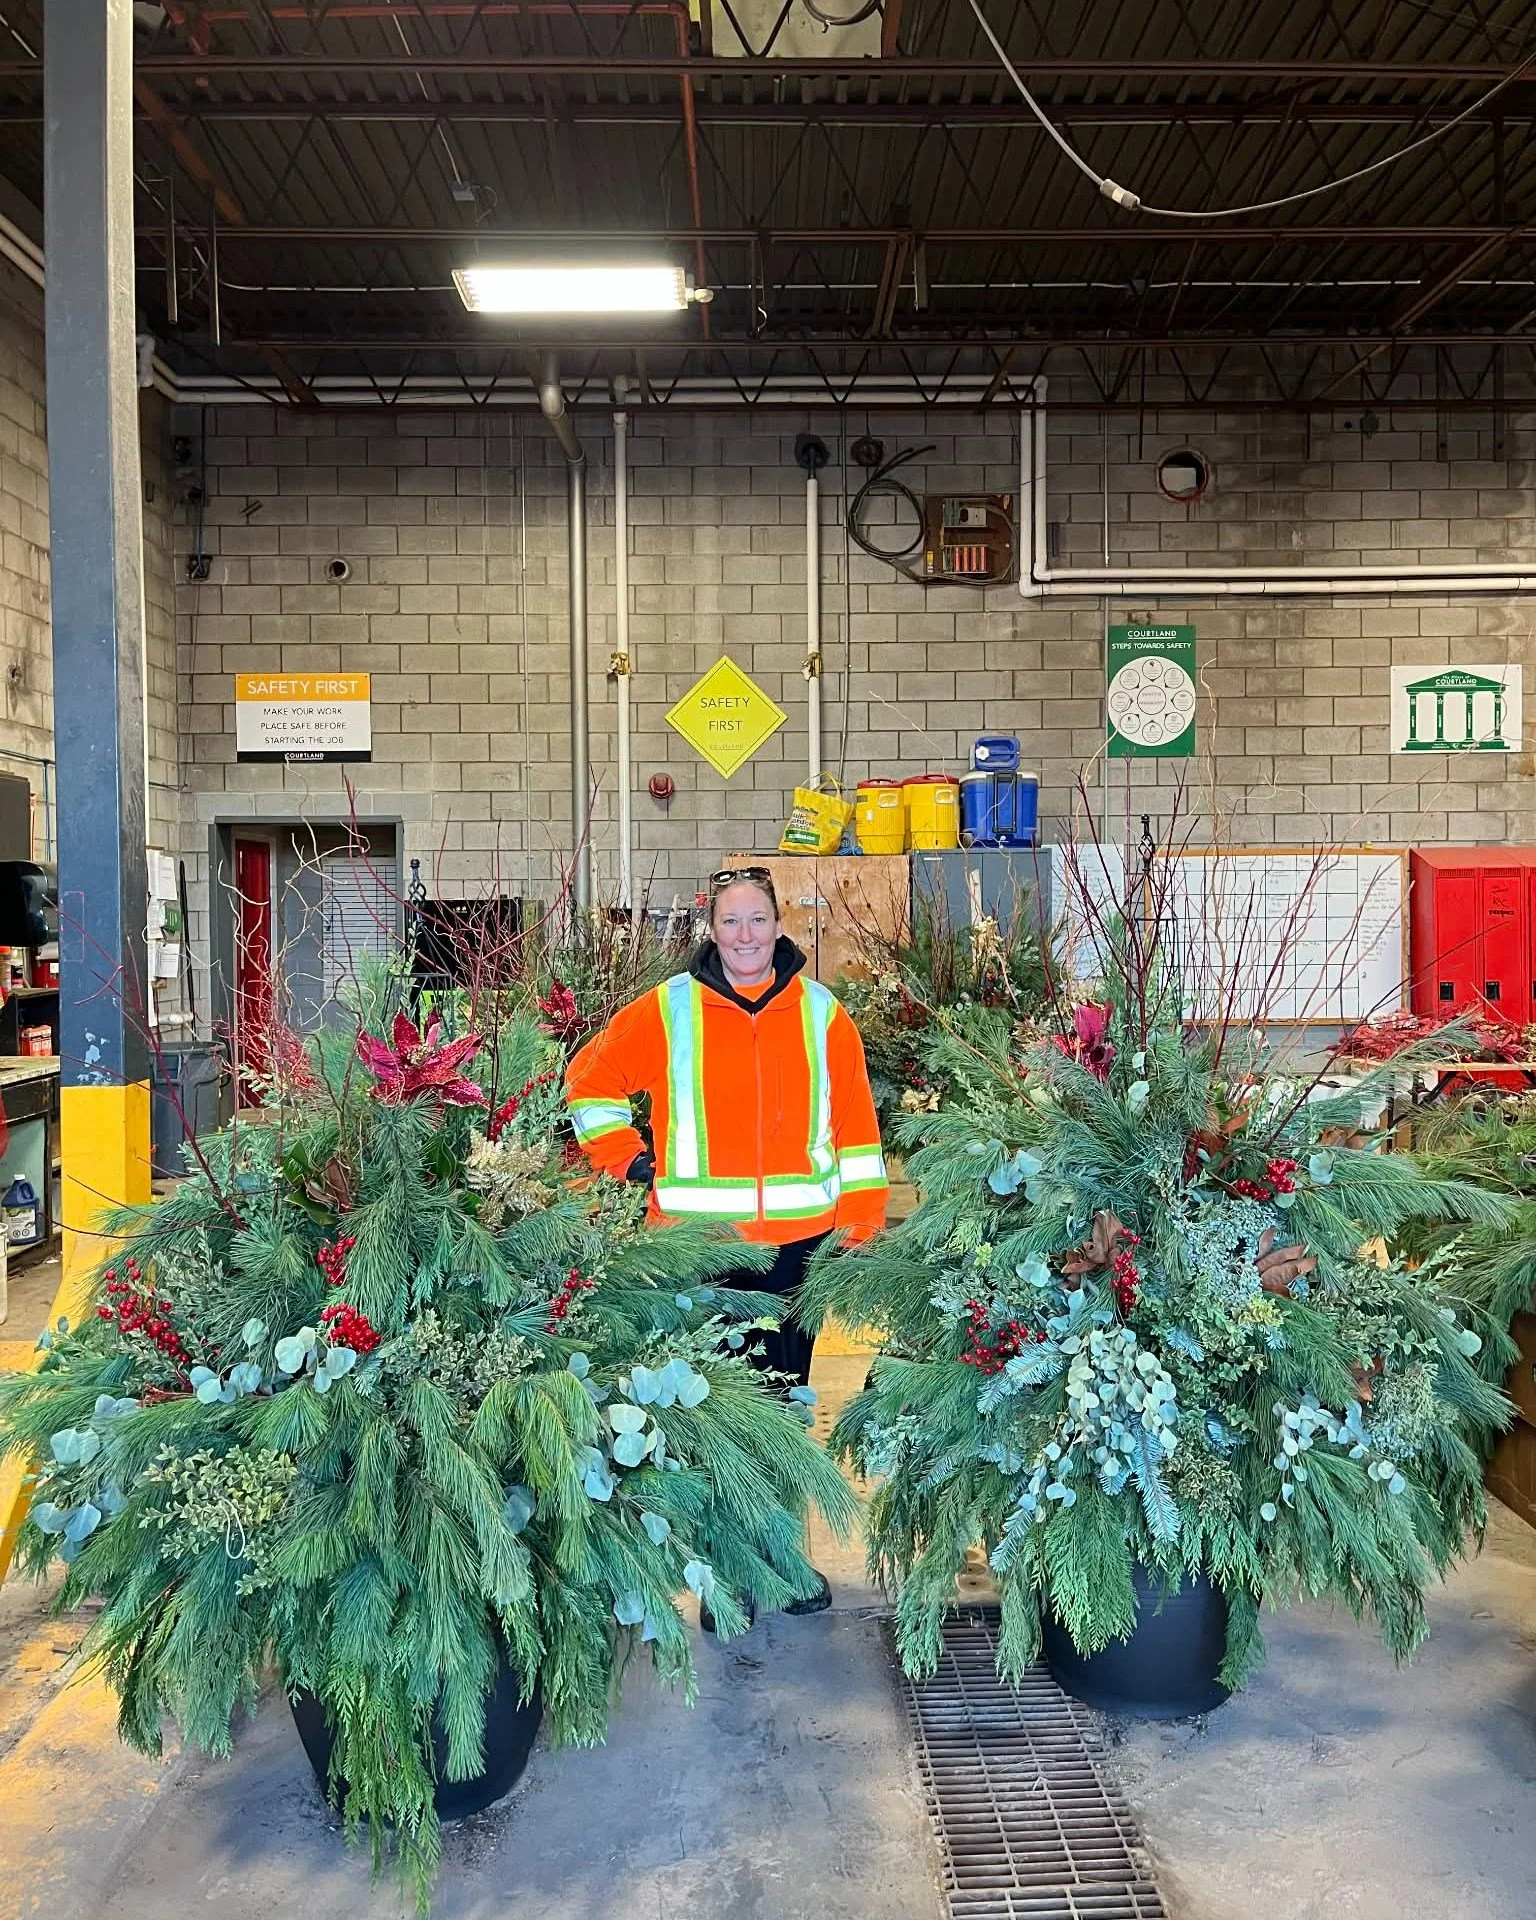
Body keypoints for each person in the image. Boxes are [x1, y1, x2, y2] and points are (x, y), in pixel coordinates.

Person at [564, 863, 888, 1617]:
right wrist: (627, 1158)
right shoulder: (668, 1010)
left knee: (785, 1405)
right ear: (713, 929)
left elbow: (857, 1129)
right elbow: (589, 1079)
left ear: (780, 927)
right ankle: (723, 1576)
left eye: (758, 920)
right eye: (731, 921)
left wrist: (863, 1217)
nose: (745, 936)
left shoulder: (822, 1015)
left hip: (798, 1250)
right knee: (714, 1410)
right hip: (703, 1249)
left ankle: (783, 1558)